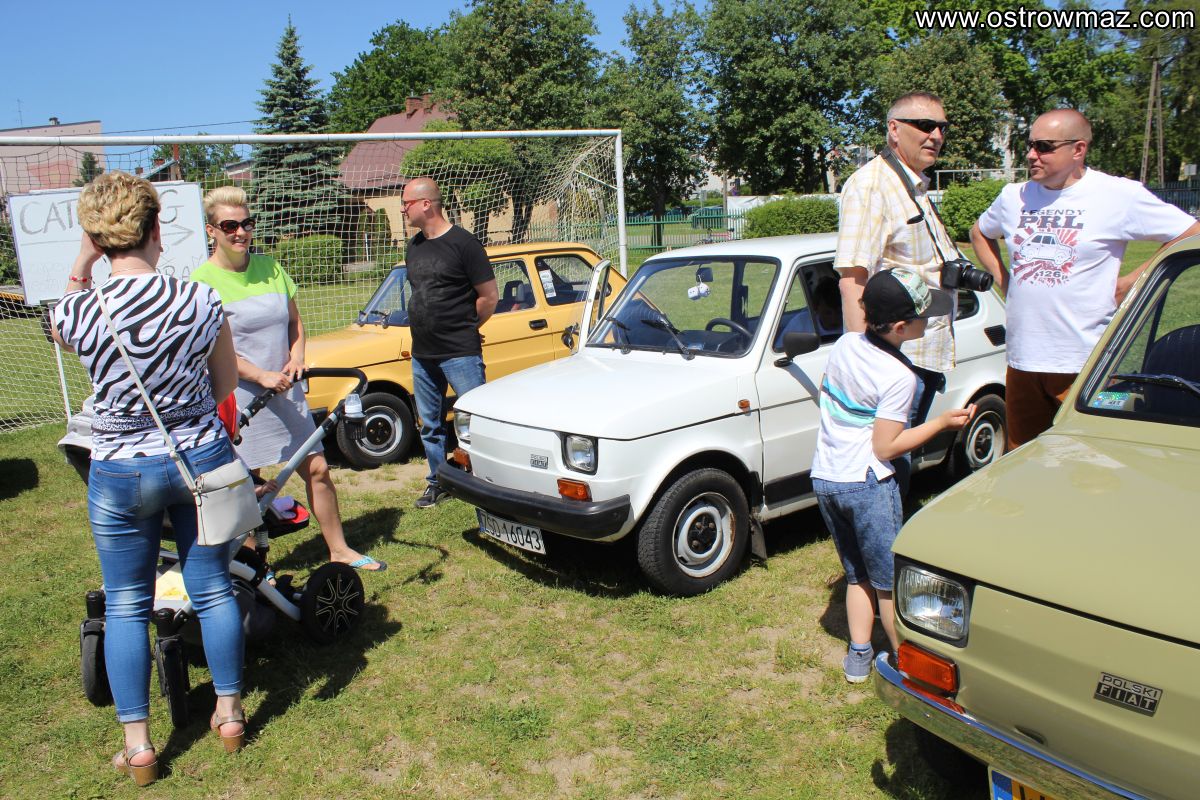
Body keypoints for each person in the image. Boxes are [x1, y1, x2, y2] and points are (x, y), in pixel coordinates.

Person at [50, 172, 247, 785]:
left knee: (127, 604)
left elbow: (63, 327)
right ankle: (230, 713)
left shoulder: (77, 309)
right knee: (212, 588)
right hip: (201, 458)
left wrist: (83, 260)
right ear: (157, 226)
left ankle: (138, 745)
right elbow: (225, 383)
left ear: (96, 235)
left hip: (120, 469)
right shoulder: (199, 299)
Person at [970, 109, 1200, 448]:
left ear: (1078, 149)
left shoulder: (1118, 195)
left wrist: (1135, 281)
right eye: (1029, 144)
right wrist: (1004, 280)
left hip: (1087, 364)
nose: (1031, 155)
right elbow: (979, 232)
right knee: (1022, 459)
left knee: (1090, 457)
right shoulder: (1013, 196)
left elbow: (1191, 232)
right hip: (1022, 360)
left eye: (1044, 146)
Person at [191, 186, 386, 572]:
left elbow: (295, 323)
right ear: (211, 230)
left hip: (286, 390)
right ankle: (254, 567)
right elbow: (214, 349)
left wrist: (296, 358)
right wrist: (260, 375)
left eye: (247, 224)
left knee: (317, 469)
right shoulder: (202, 282)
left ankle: (339, 549)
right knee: (246, 486)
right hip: (240, 396)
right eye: (230, 225)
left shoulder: (271, 268)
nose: (240, 232)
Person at [811, 268, 974, 684]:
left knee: (857, 575)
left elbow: (831, 388)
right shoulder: (900, 377)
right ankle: (906, 662)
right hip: (867, 484)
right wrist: (941, 424)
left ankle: (859, 655)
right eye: (924, 317)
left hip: (827, 479)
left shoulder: (846, 343)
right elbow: (886, 447)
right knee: (887, 583)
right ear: (901, 328)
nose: (929, 321)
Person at [835, 91, 960, 494]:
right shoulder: (872, 186)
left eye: (942, 127)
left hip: (921, 353)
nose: (935, 135)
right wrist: (865, 363)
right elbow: (853, 278)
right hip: (896, 362)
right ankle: (886, 532)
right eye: (924, 125)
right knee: (885, 472)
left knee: (898, 467)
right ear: (893, 129)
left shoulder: (911, 184)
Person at [401, 177, 498, 508]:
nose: (403, 210)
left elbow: (489, 297)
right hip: (422, 354)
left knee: (475, 421)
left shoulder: (465, 244)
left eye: (406, 203)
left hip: (459, 353)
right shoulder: (414, 246)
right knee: (430, 426)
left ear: (426, 204)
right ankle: (438, 481)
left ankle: (485, 483)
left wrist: (467, 327)